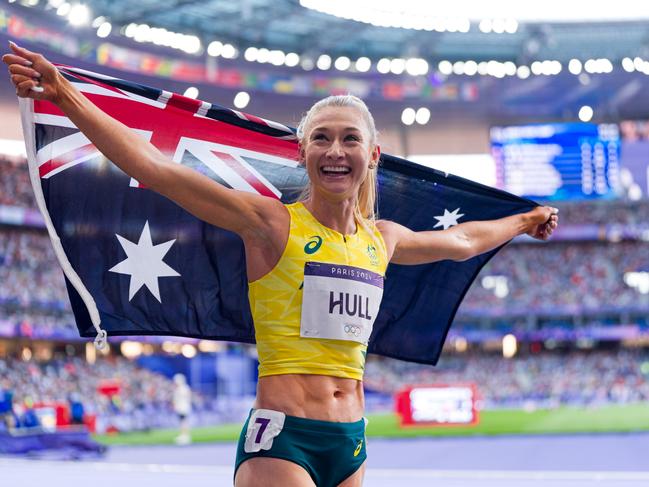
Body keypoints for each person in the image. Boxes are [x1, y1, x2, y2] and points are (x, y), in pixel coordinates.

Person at [3, 42, 558, 487]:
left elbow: (462, 241)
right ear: (302, 152)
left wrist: (524, 221)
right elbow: (158, 169)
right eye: (321, 139)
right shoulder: (271, 224)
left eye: (349, 140)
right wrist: (67, 96)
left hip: (353, 441)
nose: (335, 150)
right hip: (284, 440)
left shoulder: (382, 240)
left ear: (373, 157)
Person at [173, 373, 192, 445]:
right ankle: (183, 435)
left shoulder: (183, 388)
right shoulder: (180, 388)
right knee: (182, 422)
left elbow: (187, 397)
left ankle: (185, 436)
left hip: (183, 407)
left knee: (183, 422)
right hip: (180, 407)